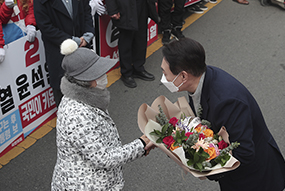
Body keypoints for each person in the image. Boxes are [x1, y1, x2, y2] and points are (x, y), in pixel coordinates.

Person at [159, 38, 285, 191]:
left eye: (165, 73)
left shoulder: (227, 101)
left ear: (183, 76)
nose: (164, 79)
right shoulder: (201, 79)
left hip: (255, 179)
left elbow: (244, 152)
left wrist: (205, 169)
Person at [51, 39, 153, 190]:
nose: (104, 75)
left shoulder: (87, 96)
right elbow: (103, 158)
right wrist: (141, 145)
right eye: (98, 73)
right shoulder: (77, 114)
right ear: (84, 80)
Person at [34, 0, 94, 107]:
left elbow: (86, 12)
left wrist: (87, 34)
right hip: (58, 52)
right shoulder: (41, 2)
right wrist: (71, 41)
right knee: (63, 92)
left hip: (82, 47)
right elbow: (45, 26)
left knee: (86, 88)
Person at [105, 0, 155, 88]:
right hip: (124, 6)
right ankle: (126, 73)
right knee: (126, 41)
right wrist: (112, 9)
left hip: (142, 5)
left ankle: (138, 68)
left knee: (141, 38)